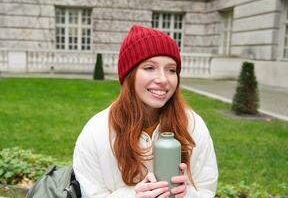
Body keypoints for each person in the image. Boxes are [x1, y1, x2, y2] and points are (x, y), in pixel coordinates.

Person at [73, 25, 218, 198]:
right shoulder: (96, 131)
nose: (163, 79)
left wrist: (187, 194)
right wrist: (134, 195)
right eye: (149, 68)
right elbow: (91, 193)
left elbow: (207, 189)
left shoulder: (193, 125)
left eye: (171, 70)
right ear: (129, 75)